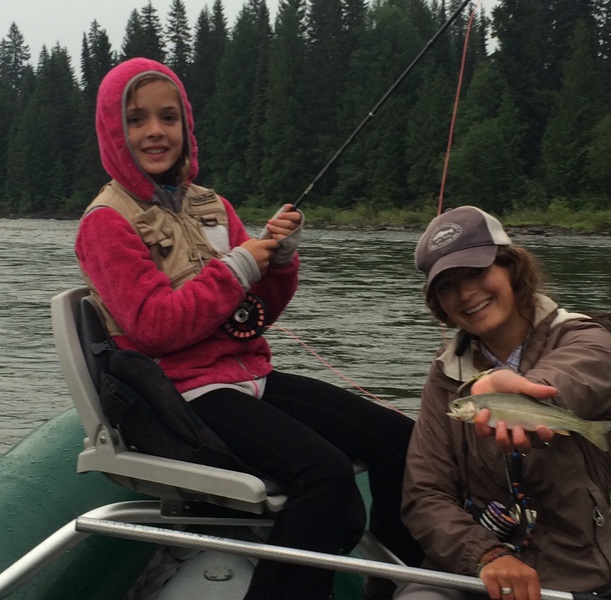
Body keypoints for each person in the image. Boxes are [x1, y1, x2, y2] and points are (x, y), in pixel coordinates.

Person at [75, 57, 421, 600]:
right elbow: (153, 328)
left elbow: (253, 316)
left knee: (400, 440)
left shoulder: (213, 206)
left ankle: (400, 584)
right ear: (113, 132)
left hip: (249, 376)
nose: (155, 131)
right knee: (324, 475)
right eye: (136, 119)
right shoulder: (105, 222)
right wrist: (235, 269)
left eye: (168, 117)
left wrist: (278, 263)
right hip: (183, 395)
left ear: (186, 125)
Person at [396, 206, 611, 600]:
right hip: (469, 569)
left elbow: (568, 381)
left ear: (511, 267)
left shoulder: (587, 339)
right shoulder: (445, 374)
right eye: (448, 286)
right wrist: (485, 554)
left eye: (476, 272)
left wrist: (519, 392)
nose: (466, 294)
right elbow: (424, 494)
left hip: (575, 577)